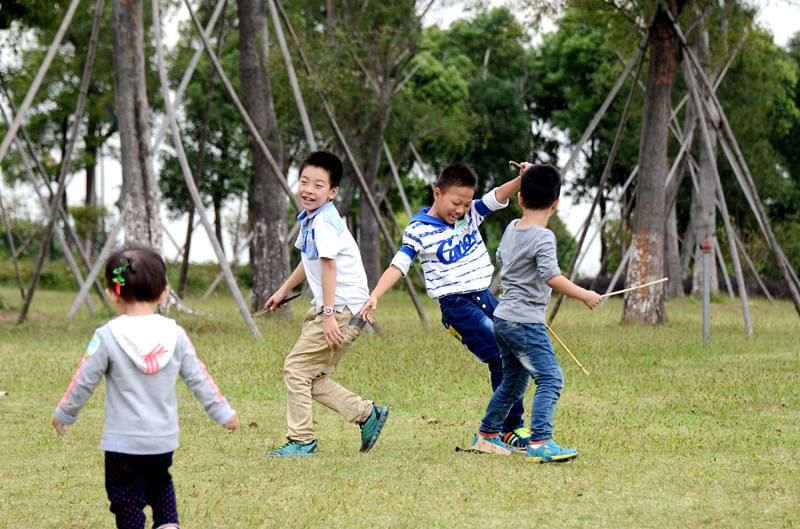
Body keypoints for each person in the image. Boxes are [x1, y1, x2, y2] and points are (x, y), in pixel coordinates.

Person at [52, 247, 240, 529]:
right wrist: (222, 411)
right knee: (160, 484)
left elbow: (83, 381)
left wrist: (65, 413)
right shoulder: (175, 334)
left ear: (112, 294)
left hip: (122, 443)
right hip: (161, 440)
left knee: (126, 499)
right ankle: (167, 524)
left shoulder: (106, 336)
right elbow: (199, 378)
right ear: (165, 293)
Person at [359, 161, 531, 448]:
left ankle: (511, 428)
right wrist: (375, 294)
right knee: (503, 355)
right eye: (455, 202)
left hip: (486, 298)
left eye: (465, 203)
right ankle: (494, 431)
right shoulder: (418, 229)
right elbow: (399, 264)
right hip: (458, 308)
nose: (460, 210)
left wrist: (522, 179)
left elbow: (497, 196)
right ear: (437, 193)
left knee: (514, 354)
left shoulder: (470, 215)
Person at [471, 164, 601, 461]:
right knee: (551, 379)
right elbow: (550, 276)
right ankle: (541, 441)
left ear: (520, 199)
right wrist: (585, 295)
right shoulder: (544, 237)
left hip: (502, 317)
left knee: (514, 381)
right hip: (524, 322)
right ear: (556, 203)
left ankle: (488, 434)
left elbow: (504, 261)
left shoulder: (511, 228)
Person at [263, 151, 389, 458]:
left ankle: (301, 440)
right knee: (311, 376)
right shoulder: (312, 219)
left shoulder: (325, 222)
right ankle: (366, 414)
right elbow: (308, 261)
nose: (308, 189)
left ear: (332, 192)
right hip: (344, 309)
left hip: (341, 310)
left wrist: (329, 315)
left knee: (296, 369)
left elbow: (329, 268)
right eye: (304, 181)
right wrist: (282, 291)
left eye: (318, 185)